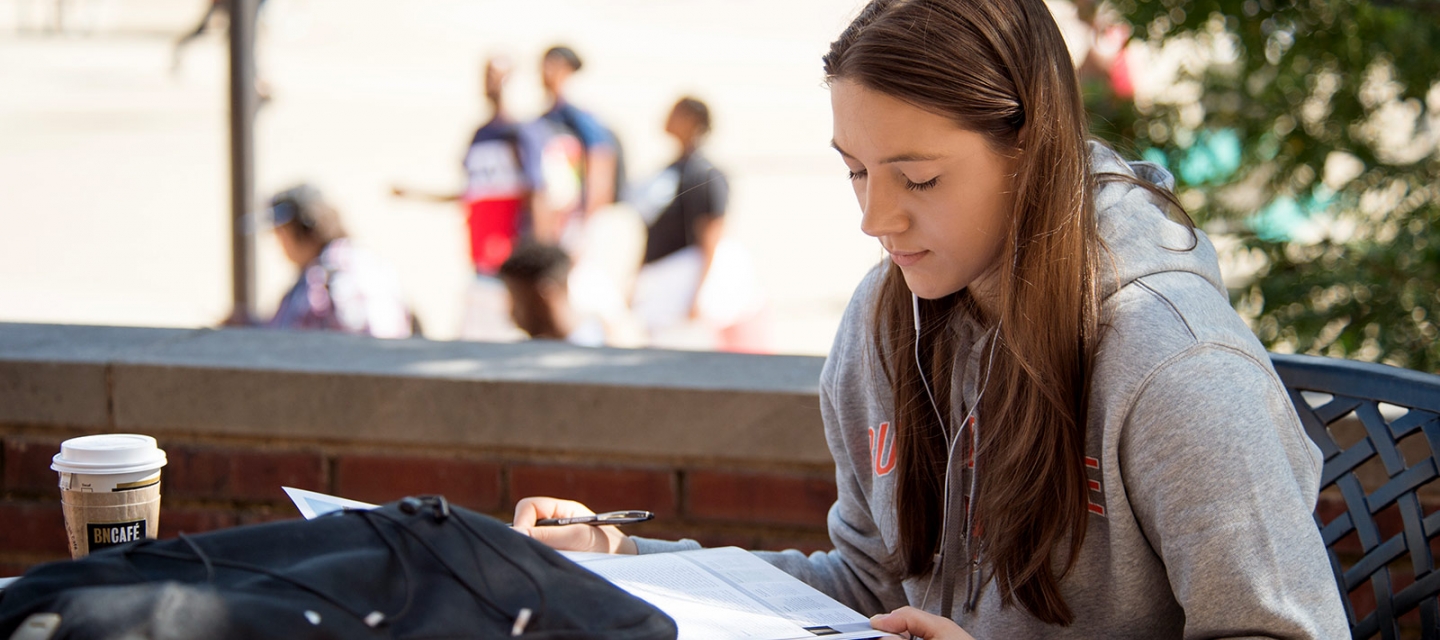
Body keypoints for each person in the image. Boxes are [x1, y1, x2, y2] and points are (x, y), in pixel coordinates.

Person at [512, 0, 1348, 638]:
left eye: (917, 179)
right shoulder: (885, 319)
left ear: (1031, 151)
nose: (876, 219)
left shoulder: (1176, 369)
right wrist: (623, 562)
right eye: (855, 172)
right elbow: (874, 589)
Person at [392, 56, 549, 341]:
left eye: (499, 76)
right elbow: (471, 193)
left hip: (513, 263)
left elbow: (537, 193)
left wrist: (537, 257)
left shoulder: (523, 134)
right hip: (482, 260)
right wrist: (416, 194)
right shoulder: (480, 135)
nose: (492, 84)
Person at [630, 97, 729, 333]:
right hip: (658, 277)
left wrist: (699, 293)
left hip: (681, 280)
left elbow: (711, 235)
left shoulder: (704, 174)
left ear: (692, 121)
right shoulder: (673, 169)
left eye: (676, 113)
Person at [265, 184, 413, 339]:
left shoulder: (329, 273)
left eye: (281, 233)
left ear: (304, 229)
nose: (279, 244)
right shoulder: (359, 259)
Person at [539, 45, 625, 240]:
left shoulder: (583, 121)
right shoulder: (543, 121)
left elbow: (601, 169)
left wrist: (588, 227)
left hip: (576, 224)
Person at [497, 242, 604, 346]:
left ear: (544, 294)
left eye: (517, 301)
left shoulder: (597, 348)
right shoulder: (531, 349)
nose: (511, 314)